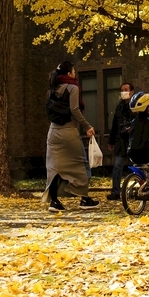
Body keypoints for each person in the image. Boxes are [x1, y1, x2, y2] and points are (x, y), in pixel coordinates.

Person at [42, 61, 99, 211]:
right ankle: (85, 199)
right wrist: (87, 126)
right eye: (73, 71)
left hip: (53, 132)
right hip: (69, 131)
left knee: (54, 167)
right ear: (69, 74)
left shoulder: (52, 90)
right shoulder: (73, 88)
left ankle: (54, 202)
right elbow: (74, 109)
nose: (74, 73)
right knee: (81, 164)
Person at [107, 82, 134, 201]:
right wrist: (111, 141)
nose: (124, 92)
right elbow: (114, 125)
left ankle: (141, 189)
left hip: (133, 141)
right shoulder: (119, 107)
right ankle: (116, 191)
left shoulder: (136, 106)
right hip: (121, 142)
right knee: (117, 166)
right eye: (122, 90)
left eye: (126, 90)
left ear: (131, 91)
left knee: (138, 166)